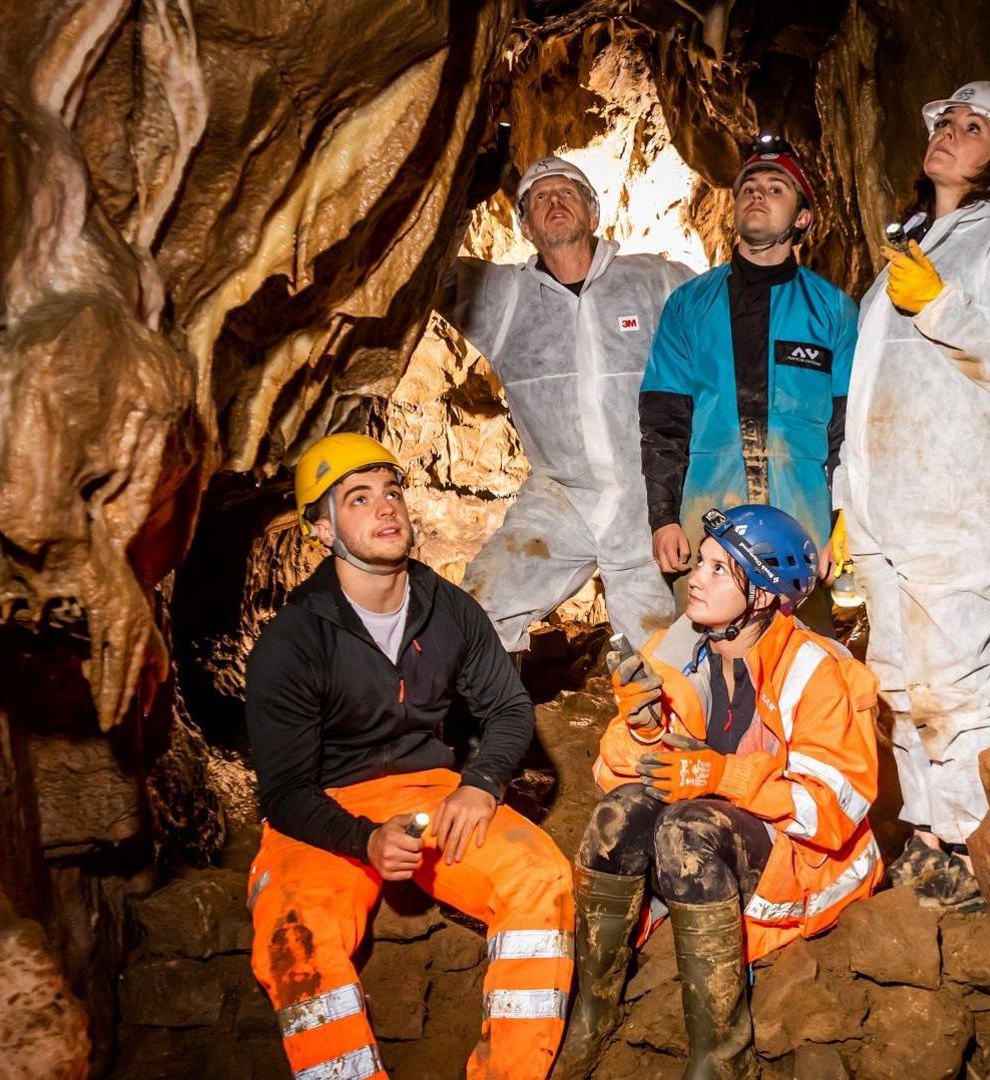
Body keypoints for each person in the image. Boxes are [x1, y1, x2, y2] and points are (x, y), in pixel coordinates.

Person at [244, 433, 574, 1080]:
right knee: (296, 936)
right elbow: (283, 791)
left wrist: (480, 784)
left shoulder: (448, 611)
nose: (386, 508)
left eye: (391, 492)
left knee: (541, 877)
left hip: (430, 791)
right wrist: (363, 841)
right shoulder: (292, 642)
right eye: (358, 499)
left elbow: (507, 709)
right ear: (322, 528)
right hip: (323, 807)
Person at [836, 80, 990, 911]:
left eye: (973, 129)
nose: (949, 134)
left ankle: (974, 852)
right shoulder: (904, 258)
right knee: (901, 684)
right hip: (885, 509)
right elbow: (870, 393)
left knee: (959, 687)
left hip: (960, 505)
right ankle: (930, 837)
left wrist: (940, 305)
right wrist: (844, 498)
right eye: (944, 122)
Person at [551, 505, 883, 1079]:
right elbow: (611, 772)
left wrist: (719, 777)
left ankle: (722, 1058)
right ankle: (593, 1012)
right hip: (715, 834)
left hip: (803, 859)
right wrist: (645, 729)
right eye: (700, 563)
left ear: (760, 597)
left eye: (719, 570)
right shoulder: (683, 648)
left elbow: (832, 809)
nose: (695, 579)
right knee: (616, 814)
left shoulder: (818, 672)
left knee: (687, 829)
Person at [443, 156, 691, 658]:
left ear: (594, 215)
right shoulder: (504, 298)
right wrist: (459, 199)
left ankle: (658, 729)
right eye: (540, 197)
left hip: (653, 500)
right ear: (526, 226)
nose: (555, 202)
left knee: (668, 660)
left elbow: (732, 337)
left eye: (568, 193)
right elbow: (417, 269)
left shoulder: (656, 281)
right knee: (478, 611)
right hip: (561, 498)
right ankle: (491, 733)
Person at [639, 138, 859, 633]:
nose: (758, 195)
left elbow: (850, 433)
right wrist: (663, 517)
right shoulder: (688, 306)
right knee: (703, 664)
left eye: (776, 189)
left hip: (802, 516)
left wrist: (843, 524)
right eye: (749, 188)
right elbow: (663, 422)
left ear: (802, 218)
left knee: (798, 663)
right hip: (707, 510)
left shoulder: (834, 312)